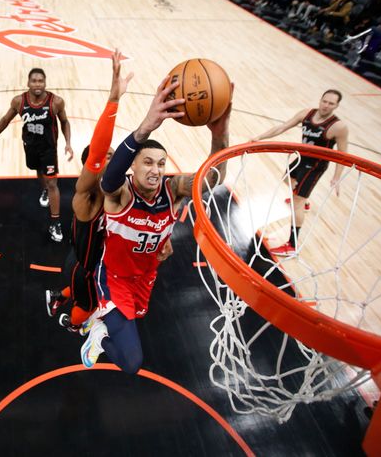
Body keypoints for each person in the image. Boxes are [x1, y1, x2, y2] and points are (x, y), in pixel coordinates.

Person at [80, 75, 233, 373]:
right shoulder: (120, 193)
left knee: (132, 341)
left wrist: (220, 134)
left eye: (161, 164)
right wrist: (145, 127)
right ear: (133, 164)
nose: (155, 170)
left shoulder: (173, 190)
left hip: (145, 277)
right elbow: (108, 179)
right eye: (148, 162)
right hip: (114, 279)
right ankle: (98, 335)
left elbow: (214, 178)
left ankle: (102, 322)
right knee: (132, 363)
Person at [45, 51, 174, 332]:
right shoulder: (87, 196)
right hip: (87, 268)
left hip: (96, 264)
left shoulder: (121, 190)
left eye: (116, 156)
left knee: (83, 294)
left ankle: (58, 297)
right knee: (87, 308)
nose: (113, 159)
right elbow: (98, 151)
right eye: (108, 157)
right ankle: (72, 325)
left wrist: (164, 237)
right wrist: (114, 99)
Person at [249, 89, 349, 256]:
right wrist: (260, 137)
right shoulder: (307, 113)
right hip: (301, 158)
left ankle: (292, 245)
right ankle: (305, 201)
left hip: (316, 165)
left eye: (331, 103)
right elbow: (282, 127)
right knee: (287, 179)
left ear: (337, 106)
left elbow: (342, 155)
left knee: (297, 202)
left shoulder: (338, 127)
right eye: (325, 101)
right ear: (320, 100)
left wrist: (337, 177)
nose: (326, 105)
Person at [0, 68, 73, 242]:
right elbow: (5, 120)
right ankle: (45, 191)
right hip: (30, 146)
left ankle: (55, 222)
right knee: (38, 171)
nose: (37, 84)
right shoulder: (19, 101)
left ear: (45, 83)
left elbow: (64, 122)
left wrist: (68, 143)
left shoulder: (56, 102)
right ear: (28, 83)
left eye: (41, 81)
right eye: (34, 81)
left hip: (49, 149)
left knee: (53, 182)